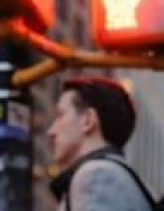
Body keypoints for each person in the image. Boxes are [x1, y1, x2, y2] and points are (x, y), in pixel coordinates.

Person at [48, 77, 154, 211]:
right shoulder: (112, 176)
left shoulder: (97, 175)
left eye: (60, 115)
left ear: (88, 120)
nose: (51, 131)